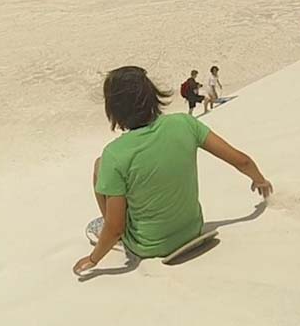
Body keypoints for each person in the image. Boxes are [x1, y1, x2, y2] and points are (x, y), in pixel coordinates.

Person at [74, 66, 273, 274]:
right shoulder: (185, 123)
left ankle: (119, 234)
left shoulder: (114, 154)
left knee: (99, 166)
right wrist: (260, 180)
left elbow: (115, 227)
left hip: (149, 246)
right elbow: (241, 161)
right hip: (193, 230)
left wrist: (93, 259)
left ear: (114, 108)